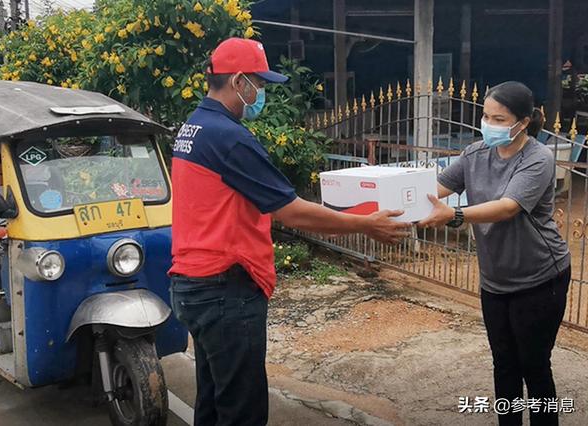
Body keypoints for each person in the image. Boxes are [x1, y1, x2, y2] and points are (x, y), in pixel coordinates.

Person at [168, 37, 411, 426]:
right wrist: (365, 224)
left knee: (214, 398)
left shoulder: (193, 128)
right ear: (238, 82)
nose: (260, 93)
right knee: (242, 410)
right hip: (225, 288)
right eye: (259, 85)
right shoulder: (229, 138)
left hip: (194, 283)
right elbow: (292, 211)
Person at [418, 81, 571, 426]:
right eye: (486, 116)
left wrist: (454, 215)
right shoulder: (474, 154)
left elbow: (507, 207)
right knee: (503, 363)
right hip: (495, 279)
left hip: (540, 277)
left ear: (523, 121)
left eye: (499, 119)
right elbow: (435, 189)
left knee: (533, 364)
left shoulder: (538, 158)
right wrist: (393, 200)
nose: (489, 124)